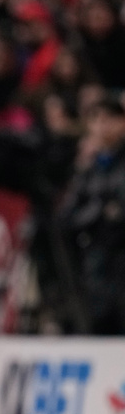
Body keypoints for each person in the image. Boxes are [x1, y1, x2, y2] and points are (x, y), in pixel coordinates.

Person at [60, 93, 125, 334]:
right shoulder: (87, 169)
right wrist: (100, 212)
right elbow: (67, 217)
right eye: (95, 120)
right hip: (96, 266)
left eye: (109, 119)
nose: (102, 126)